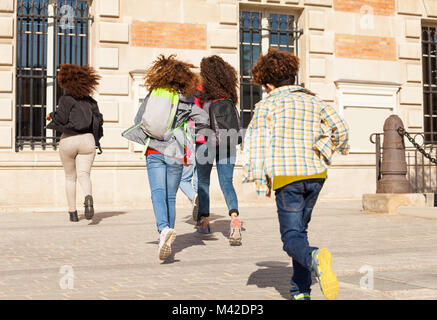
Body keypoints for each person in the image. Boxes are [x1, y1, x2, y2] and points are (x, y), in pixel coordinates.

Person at [242, 48, 349, 300]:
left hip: (287, 178)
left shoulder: (267, 104)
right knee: (300, 231)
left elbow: (256, 144)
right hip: (315, 176)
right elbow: (341, 130)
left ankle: (315, 257)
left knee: (291, 237)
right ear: (292, 76)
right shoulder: (314, 100)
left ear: (267, 83)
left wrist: (261, 181)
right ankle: (301, 290)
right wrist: (324, 149)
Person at [122, 55, 209, 261]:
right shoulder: (187, 100)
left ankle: (163, 230)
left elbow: (138, 120)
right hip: (176, 152)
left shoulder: (155, 92)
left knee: (158, 193)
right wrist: (187, 128)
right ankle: (167, 235)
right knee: (170, 196)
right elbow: (203, 119)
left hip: (154, 150)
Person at [46, 64, 103, 223]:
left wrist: (51, 117)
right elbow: (99, 121)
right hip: (87, 140)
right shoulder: (91, 102)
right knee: (84, 175)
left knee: (70, 177)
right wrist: (97, 140)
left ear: (66, 81)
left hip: (69, 139)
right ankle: (88, 197)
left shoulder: (65, 99)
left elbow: (62, 118)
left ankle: (72, 213)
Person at [195, 55, 242, 246]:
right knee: (227, 183)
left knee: (203, 182)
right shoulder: (229, 95)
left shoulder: (202, 95)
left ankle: (205, 222)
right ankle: (235, 218)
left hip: (205, 143)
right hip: (228, 142)